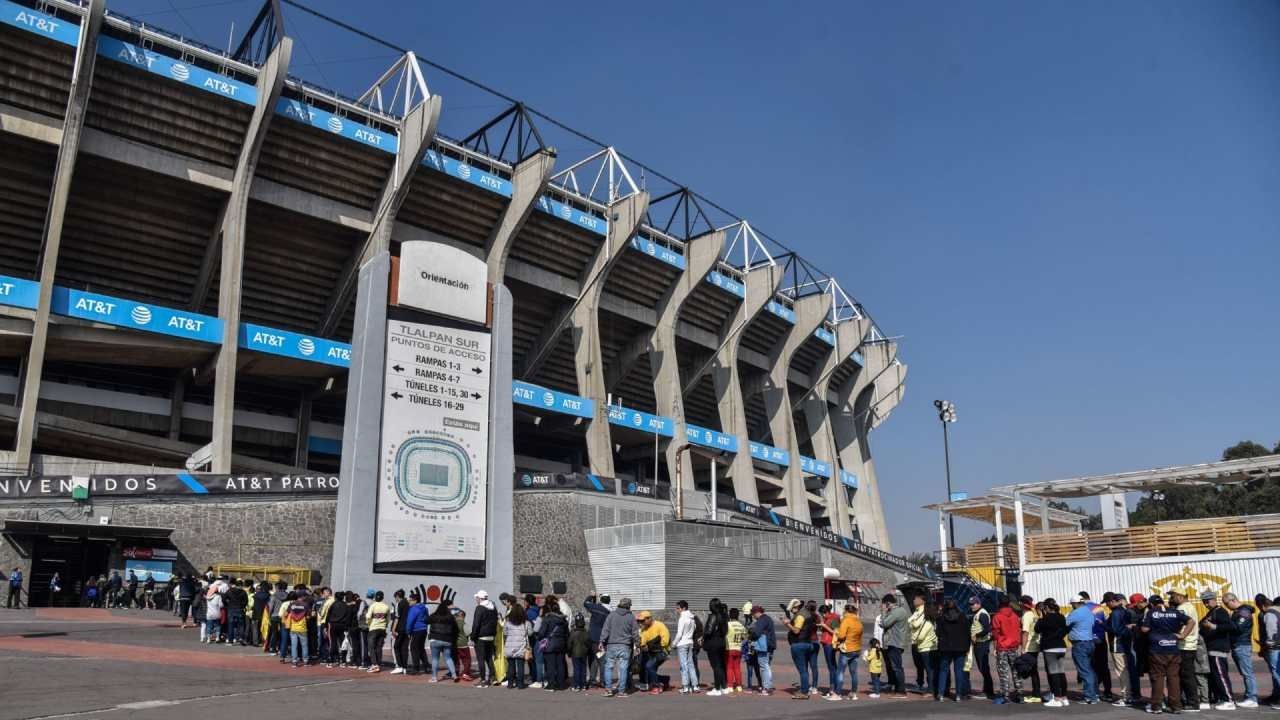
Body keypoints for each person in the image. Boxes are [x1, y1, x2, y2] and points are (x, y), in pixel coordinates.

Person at [1142, 593, 1195, 714]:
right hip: (1173, 648)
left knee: (1158, 677)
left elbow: (1144, 629)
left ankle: (1157, 706)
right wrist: (1182, 635)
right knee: (1173, 678)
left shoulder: (1152, 612)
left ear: (1151, 604)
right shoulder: (1175, 612)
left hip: (1157, 648)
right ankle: (1176, 706)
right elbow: (1191, 621)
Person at [1200, 591, 1236, 709]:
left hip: (1218, 649)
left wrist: (1213, 626)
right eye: (1204, 602)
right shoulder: (1211, 612)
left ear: (1214, 599)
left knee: (1221, 675)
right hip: (1211, 648)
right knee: (1215, 676)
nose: (1206, 604)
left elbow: (1231, 626)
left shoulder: (1220, 611)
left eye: (1208, 601)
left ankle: (1229, 700)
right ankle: (1221, 698)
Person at [1167, 592, 1202, 711]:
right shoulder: (1190, 606)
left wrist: (1181, 635)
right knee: (1186, 674)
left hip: (1185, 645)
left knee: (1186, 675)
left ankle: (1192, 702)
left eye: (1172, 596)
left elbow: (1182, 623)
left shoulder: (1182, 608)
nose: (1171, 599)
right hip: (1189, 644)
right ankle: (1187, 700)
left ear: (1180, 596)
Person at [1223, 593, 1259, 708]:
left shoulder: (1244, 612)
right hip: (1237, 645)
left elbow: (1238, 627)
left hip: (1242, 645)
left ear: (1233, 600)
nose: (1226, 606)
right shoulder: (1238, 612)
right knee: (1245, 673)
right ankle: (1249, 695)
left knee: (1247, 673)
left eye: (1226, 603)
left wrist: (1226, 625)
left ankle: (1252, 698)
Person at [1067, 594, 1101, 704]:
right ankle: (1095, 693)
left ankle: (1090, 697)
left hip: (1080, 644)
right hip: (1089, 642)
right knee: (1090, 669)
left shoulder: (1076, 613)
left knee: (1085, 671)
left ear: (1075, 603)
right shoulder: (1088, 612)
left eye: (1072, 604)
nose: (1072, 606)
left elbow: (1064, 624)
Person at [599, 597, 636, 697]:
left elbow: (605, 629)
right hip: (625, 646)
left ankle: (608, 690)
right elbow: (635, 633)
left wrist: (601, 641)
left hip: (611, 645)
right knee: (623, 668)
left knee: (608, 668)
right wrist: (638, 643)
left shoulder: (611, 615)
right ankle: (621, 691)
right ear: (628, 606)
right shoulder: (631, 617)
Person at [1037, 598, 1070, 707]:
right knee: (1061, 671)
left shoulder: (1046, 618)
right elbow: (1065, 629)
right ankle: (1064, 697)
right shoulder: (1061, 617)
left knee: (1053, 672)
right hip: (1061, 646)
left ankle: (1057, 698)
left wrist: (1041, 616)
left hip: (1050, 647)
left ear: (1046, 607)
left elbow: (1037, 629)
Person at [936, 597, 971, 702]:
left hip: (945, 647)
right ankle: (958, 694)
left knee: (943, 670)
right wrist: (967, 647)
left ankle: (941, 693)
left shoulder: (941, 618)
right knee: (959, 671)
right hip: (960, 647)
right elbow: (967, 633)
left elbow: (938, 633)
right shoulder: (962, 617)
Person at [783, 598, 818, 698]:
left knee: (803, 670)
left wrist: (787, 624)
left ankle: (804, 692)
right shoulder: (809, 614)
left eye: (793, 609)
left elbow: (796, 631)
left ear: (796, 607)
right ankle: (805, 688)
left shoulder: (800, 616)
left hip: (799, 644)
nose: (791, 611)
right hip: (808, 643)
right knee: (805, 670)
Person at [991, 594, 1023, 704]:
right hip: (1014, 646)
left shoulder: (997, 616)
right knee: (1016, 670)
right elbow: (1018, 630)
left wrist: (995, 648)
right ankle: (1020, 694)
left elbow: (995, 633)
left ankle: (1006, 695)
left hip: (1002, 646)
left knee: (1003, 672)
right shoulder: (1015, 616)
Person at [909, 595, 940, 698]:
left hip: (926, 646)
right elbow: (911, 622)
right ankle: (928, 687)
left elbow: (915, 626)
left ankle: (931, 689)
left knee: (929, 668)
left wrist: (914, 626)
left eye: (915, 598)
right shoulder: (918, 612)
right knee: (926, 667)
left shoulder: (927, 619)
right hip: (923, 646)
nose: (913, 600)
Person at [880, 594, 910, 697]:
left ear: (888, 603)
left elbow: (884, 623)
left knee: (897, 667)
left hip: (895, 642)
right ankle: (898, 689)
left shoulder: (896, 612)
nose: (883, 607)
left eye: (883, 604)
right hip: (896, 642)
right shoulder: (899, 611)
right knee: (896, 667)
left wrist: (884, 612)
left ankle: (901, 691)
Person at [833, 602, 865, 701]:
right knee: (854, 673)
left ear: (846, 610)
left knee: (840, 672)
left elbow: (842, 635)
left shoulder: (846, 620)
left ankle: (838, 693)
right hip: (856, 649)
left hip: (847, 649)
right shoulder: (858, 621)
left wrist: (836, 632)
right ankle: (853, 693)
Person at [637, 609, 671, 694]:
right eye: (639, 621)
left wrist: (651, 646)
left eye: (642, 620)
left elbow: (665, 640)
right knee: (651, 669)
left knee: (649, 666)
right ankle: (664, 680)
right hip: (652, 652)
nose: (641, 622)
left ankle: (657, 687)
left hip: (662, 651)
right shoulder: (643, 629)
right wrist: (642, 646)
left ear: (649, 618)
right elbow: (643, 643)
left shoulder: (659, 625)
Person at [583, 593, 612, 688]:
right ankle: (604, 680)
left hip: (594, 638)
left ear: (601, 600)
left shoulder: (597, 608)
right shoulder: (611, 611)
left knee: (594, 660)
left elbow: (586, 603)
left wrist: (591, 596)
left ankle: (593, 680)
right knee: (603, 660)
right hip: (605, 639)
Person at [540, 596, 569, 691]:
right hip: (561, 644)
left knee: (550, 665)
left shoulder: (547, 619)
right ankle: (561, 684)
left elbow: (542, 633)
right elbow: (567, 633)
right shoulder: (563, 620)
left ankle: (551, 684)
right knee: (560, 664)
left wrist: (539, 637)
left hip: (550, 645)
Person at [747, 604, 776, 696]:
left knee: (764, 666)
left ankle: (766, 688)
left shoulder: (761, 620)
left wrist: (750, 635)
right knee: (767, 666)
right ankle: (768, 686)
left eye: (753, 614)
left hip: (763, 646)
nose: (753, 616)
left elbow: (756, 633)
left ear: (756, 612)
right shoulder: (768, 618)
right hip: (770, 645)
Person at [969, 595, 995, 699]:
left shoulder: (982, 614)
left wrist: (976, 635)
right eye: (970, 604)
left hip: (982, 643)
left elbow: (987, 629)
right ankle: (987, 690)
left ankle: (989, 691)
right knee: (982, 667)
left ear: (979, 603)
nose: (971, 606)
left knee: (984, 667)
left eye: (973, 604)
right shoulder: (977, 613)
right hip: (979, 643)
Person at [472, 590, 499, 686]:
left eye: (477, 598)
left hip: (481, 637)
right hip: (491, 636)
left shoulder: (480, 608)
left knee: (481, 659)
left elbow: (476, 624)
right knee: (489, 658)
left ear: (480, 598)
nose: (476, 599)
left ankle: (483, 680)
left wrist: (473, 636)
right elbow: (496, 621)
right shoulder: (493, 607)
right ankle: (493, 677)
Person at [1019, 597, 1043, 703]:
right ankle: (1036, 692)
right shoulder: (1033, 615)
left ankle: (1036, 694)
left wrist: (1023, 648)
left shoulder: (1026, 616)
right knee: (1034, 670)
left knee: (1027, 670)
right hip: (1035, 645)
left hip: (1029, 646)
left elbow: (1025, 632)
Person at [428, 597, 458, 682]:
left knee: (435, 659)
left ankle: (434, 677)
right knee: (448, 658)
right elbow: (455, 629)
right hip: (447, 640)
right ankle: (454, 675)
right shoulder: (451, 617)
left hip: (435, 639)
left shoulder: (434, 615)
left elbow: (426, 620)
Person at [1257, 595, 1280, 708]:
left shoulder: (1270, 613)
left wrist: (1268, 644)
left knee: (1277, 673)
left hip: (1275, 648)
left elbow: (1271, 632)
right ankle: (1276, 696)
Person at [702, 600, 729, 696]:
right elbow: (726, 631)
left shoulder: (713, 616)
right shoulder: (724, 616)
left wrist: (703, 637)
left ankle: (717, 688)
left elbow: (708, 630)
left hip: (713, 643)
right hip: (721, 642)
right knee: (721, 665)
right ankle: (724, 686)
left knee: (716, 666)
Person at [674, 599, 699, 693]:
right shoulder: (692, 618)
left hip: (682, 644)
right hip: (690, 642)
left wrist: (674, 643)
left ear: (683, 608)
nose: (677, 610)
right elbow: (694, 629)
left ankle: (685, 686)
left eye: (678, 608)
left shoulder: (682, 618)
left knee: (683, 665)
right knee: (691, 664)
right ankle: (695, 686)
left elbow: (679, 634)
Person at [503, 603, 530, 689]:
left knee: (511, 666)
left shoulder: (508, 622)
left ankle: (510, 684)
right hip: (521, 645)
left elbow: (505, 633)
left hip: (509, 646)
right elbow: (530, 633)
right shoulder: (525, 623)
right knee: (520, 666)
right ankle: (520, 684)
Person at [364, 590, 391, 672]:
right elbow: (388, 619)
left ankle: (374, 664)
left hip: (373, 628)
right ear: (382, 597)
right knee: (379, 647)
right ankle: (378, 664)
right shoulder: (386, 607)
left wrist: (368, 624)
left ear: (375, 597)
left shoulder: (373, 605)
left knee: (371, 647)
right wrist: (385, 625)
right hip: (382, 629)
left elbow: (368, 617)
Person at [324, 588, 350, 667]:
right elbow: (348, 617)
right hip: (343, 626)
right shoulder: (346, 605)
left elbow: (328, 616)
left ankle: (331, 661)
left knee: (333, 643)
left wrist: (325, 626)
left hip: (333, 625)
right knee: (343, 643)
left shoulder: (333, 604)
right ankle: (343, 661)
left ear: (336, 597)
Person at [284, 590, 311, 667]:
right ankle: (305, 661)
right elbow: (308, 616)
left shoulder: (292, 604)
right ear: (302, 597)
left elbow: (286, 614)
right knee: (304, 645)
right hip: (302, 627)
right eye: (305, 596)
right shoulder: (305, 605)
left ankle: (294, 661)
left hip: (293, 627)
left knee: (294, 645)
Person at [819, 603, 839, 697]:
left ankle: (833, 688)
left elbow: (835, 632)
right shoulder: (827, 618)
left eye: (822, 614)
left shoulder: (834, 618)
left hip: (829, 643)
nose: (822, 616)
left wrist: (824, 626)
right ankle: (833, 687)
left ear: (825, 612)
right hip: (826, 642)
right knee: (832, 666)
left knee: (832, 666)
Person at [726, 607, 748, 693]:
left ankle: (730, 686)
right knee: (737, 668)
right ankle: (739, 686)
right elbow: (745, 637)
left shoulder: (728, 624)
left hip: (729, 648)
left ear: (730, 615)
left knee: (729, 668)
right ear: (738, 615)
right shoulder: (741, 625)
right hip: (738, 648)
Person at [569, 613, 591, 691]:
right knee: (583, 669)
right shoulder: (586, 632)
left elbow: (569, 644)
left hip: (575, 653)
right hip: (584, 653)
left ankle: (577, 685)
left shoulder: (573, 632)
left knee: (576, 669)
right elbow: (588, 643)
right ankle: (583, 684)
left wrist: (569, 652)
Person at [453, 608, 472, 680]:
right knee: (467, 659)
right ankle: (466, 673)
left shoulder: (453, 623)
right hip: (463, 644)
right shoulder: (464, 624)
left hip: (455, 644)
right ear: (463, 616)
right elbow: (468, 633)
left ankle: (456, 672)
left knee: (456, 659)